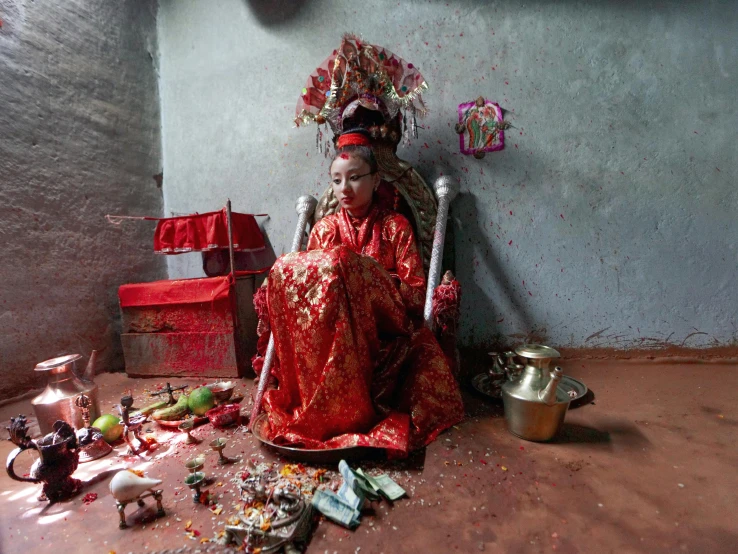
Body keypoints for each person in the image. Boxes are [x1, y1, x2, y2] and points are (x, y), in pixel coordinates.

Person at [257, 129, 464, 457]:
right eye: (336, 181)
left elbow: (414, 296)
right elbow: (307, 302)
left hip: (385, 326)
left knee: (342, 263)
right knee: (286, 267)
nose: (344, 189)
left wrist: (365, 279)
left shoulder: (396, 226)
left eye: (354, 178)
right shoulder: (324, 229)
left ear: (377, 179)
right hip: (331, 333)